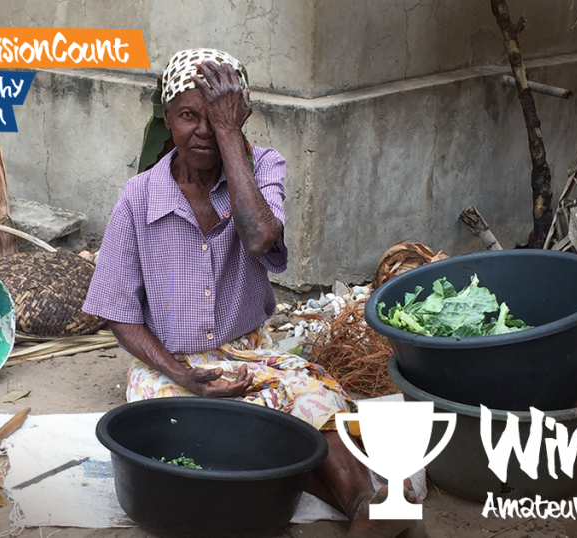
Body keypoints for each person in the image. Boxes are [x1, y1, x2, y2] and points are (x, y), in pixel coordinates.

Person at [83, 48, 424, 538]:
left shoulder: (264, 166)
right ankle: (374, 508)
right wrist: (186, 374)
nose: (201, 131)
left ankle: (369, 502)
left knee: (309, 400)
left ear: (240, 116)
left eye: (217, 117)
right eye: (188, 116)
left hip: (249, 353)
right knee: (209, 430)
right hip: (171, 363)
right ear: (166, 118)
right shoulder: (138, 197)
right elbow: (120, 316)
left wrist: (228, 137)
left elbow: (261, 237)